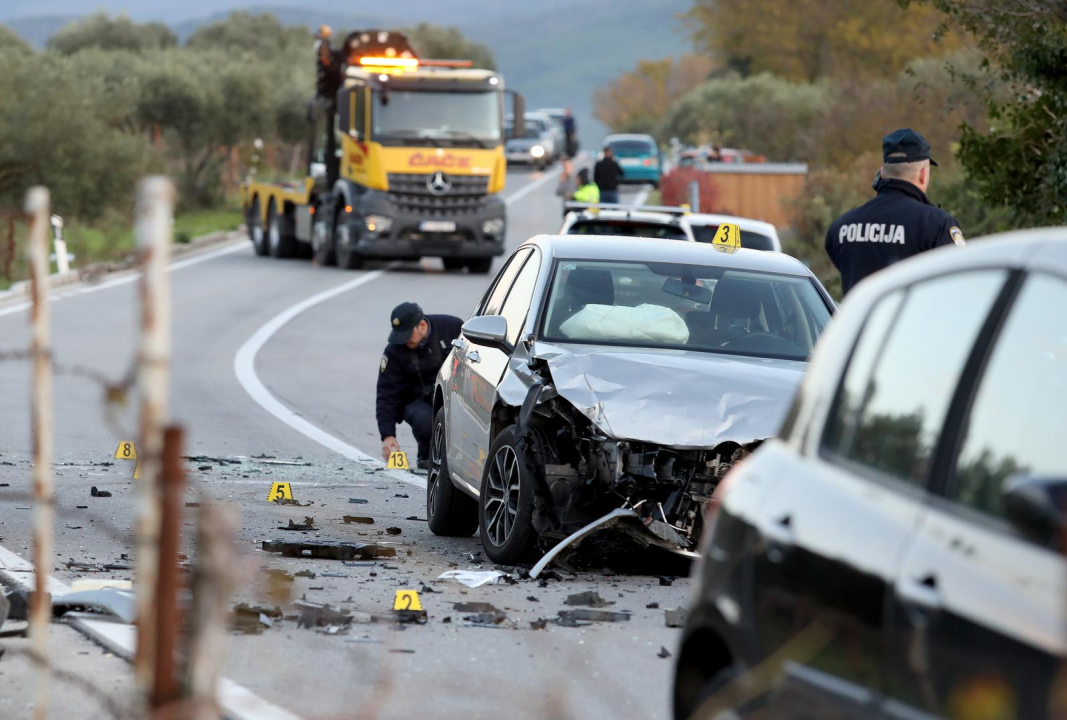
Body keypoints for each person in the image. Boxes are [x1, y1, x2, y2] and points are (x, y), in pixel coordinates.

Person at [826, 128, 964, 296]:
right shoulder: (937, 224)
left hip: (860, 323)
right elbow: (960, 284)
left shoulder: (841, 227)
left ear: (882, 173)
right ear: (923, 174)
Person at [376, 302, 463, 469]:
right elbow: (387, 392)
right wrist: (387, 435)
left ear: (422, 325)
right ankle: (426, 455)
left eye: (408, 335)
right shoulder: (394, 351)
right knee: (425, 421)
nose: (404, 340)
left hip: (453, 393)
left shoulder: (452, 327)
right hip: (418, 399)